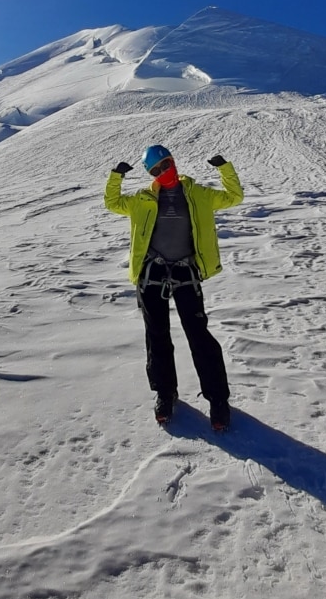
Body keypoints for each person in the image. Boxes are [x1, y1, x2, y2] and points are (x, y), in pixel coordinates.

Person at [104, 144, 244, 431]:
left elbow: (234, 197)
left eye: (165, 165)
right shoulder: (142, 199)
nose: (162, 172)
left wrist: (224, 169)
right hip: (151, 274)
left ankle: (218, 399)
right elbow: (112, 203)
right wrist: (115, 177)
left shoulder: (199, 195)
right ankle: (165, 394)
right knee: (157, 336)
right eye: (155, 170)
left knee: (198, 335)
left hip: (186, 272)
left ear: (173, 161)